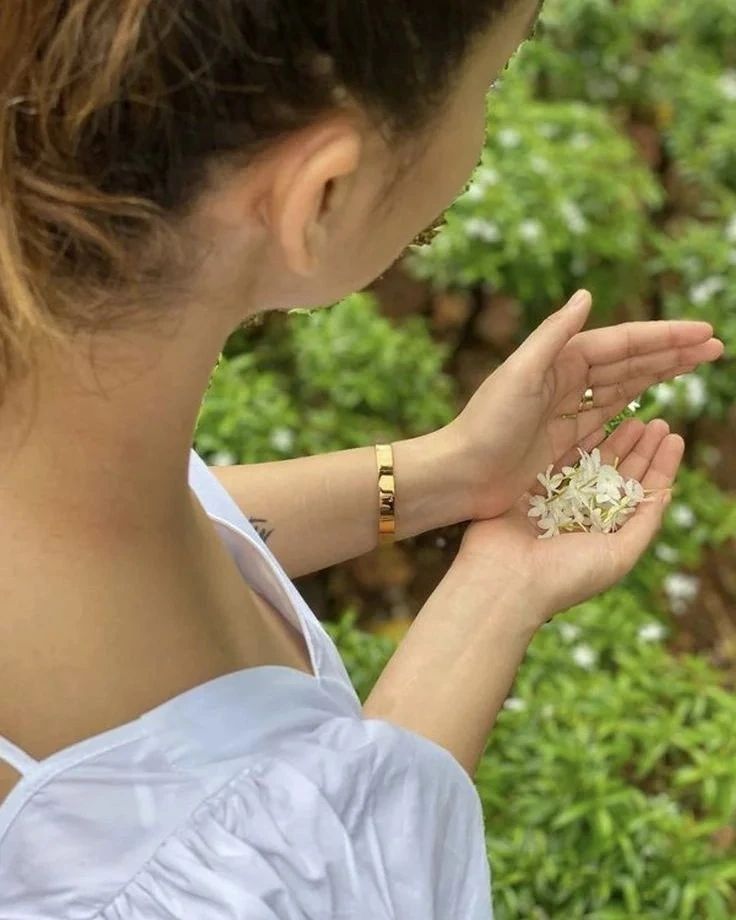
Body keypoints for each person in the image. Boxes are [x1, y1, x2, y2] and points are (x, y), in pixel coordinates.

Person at [0, 1, 724, 917]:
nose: (481, 134)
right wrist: (496, 590)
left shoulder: (64, 444)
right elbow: (333, 867)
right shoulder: (190, 884)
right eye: (490, 84)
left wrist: (451, 474)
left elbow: (155, 526)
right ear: (323, 197)